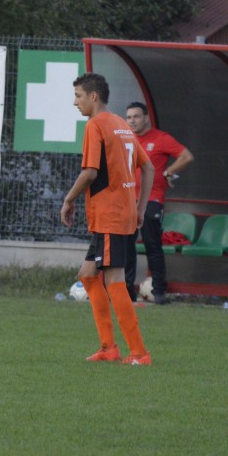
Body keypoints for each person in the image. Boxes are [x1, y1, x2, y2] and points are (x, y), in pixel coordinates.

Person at [60, 72, 155, 366]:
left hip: (111, 215)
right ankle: (108, 348)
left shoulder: (96, 125)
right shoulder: (121, 124)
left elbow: (89, 172)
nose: (75, 102)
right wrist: (140, 208)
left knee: (114, 280)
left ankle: (139, 353)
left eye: (78, 96)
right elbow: (148, 168)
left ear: (93, 96)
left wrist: (68, 199)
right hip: (119, 213)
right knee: (88, 275)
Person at [123, 101, 194, 304]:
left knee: (152, 245)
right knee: (126, 246)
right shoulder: (125, 139)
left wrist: (169, 171)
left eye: (136, 116)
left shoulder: (161, 138)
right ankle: (127, 291)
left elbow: (186, 156)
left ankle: (159, 291)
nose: (132, 121)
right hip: (128, 200)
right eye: (129, 117)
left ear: (146, 118)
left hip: (151, 200)